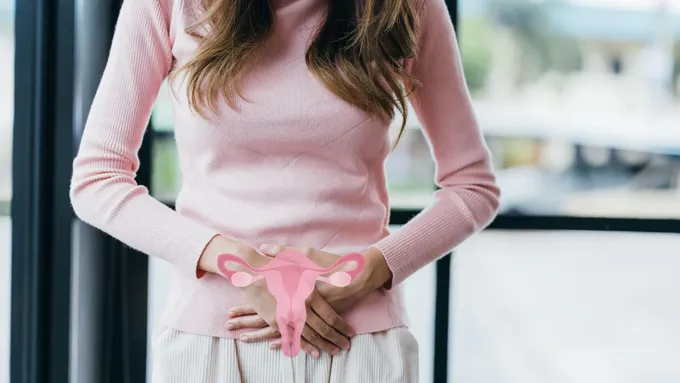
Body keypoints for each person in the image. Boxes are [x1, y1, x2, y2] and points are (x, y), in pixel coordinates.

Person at [70, 0, 501, 381]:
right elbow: (97, 178)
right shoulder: (168, 5)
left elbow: (473, 186)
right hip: (210, 342)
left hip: (358, 341)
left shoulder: (405, 7)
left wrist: (363, 272)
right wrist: (244, 266)